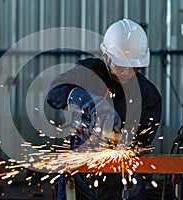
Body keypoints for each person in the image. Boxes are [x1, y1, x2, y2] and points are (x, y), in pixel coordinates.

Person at [46, 19, 162, 200]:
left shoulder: (148, 96)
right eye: (121, 65)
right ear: (106, 56)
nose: (127, 71)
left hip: (122, 185)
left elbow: (139, 144)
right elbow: (54, 92)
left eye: (133, 66)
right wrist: (89, 101)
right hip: (79, 178)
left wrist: (115, 138)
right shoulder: (89, 73)